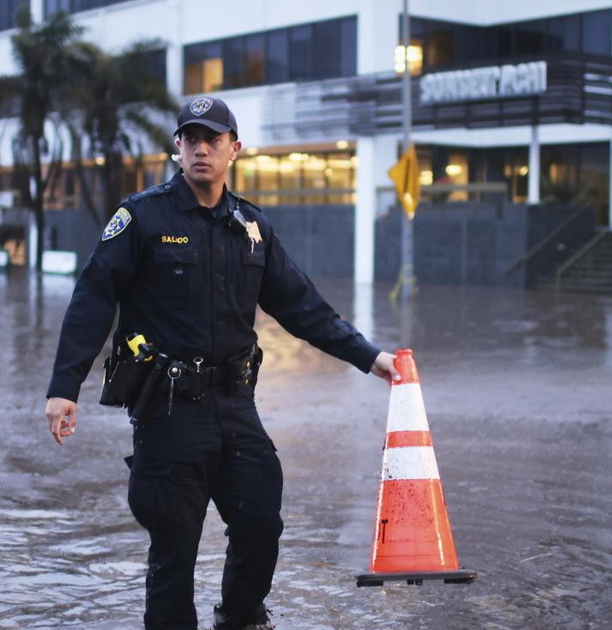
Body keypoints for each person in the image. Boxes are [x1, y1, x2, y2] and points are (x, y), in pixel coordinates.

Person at [44, 96, 398, 630]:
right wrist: (64, 386)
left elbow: (303, 307)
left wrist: (369, 356)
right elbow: (93, 300)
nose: (201, 149)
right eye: (191, 138)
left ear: (235, 149)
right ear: (177, 148)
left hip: (235, 406)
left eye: (213, 139)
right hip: (168, 412)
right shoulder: (141, 217)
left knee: (261, 522)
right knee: (175, 546)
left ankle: (239, 618)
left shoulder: (251, 226)